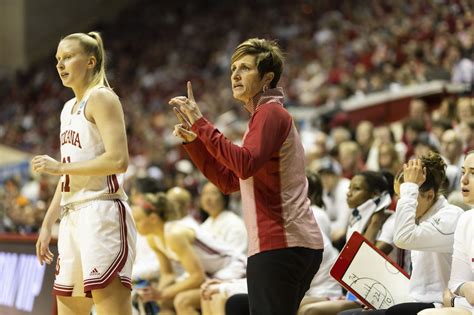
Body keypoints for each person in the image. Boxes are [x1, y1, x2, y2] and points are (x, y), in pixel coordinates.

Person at [169, 38, 324, 315]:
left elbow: (244, 164)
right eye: (233, 69)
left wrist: (201, 123)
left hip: (280, 243)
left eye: (245, 68)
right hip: (288, 244)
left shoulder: (270, 112)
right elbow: (230, 182)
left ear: (267, 78)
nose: (235, 75)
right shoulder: (264, 116)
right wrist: (195, 143)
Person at [31, 32, 137, 315]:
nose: (60, 65)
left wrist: (60, 167)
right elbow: (69, 170)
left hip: (101, 211)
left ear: (90, 61)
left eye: (67, 57)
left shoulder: (101, 97)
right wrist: (47, 222)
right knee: (69, 309)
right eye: (57, 60)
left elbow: (118, 160)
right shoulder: (67, 109)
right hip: (71, 215)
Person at [340, 151, 464, 315]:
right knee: (348, 314)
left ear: (429, 196)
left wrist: (410, 188)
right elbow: (416, 287)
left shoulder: (450, 216)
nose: (403, 202)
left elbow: (402, 239)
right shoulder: (420, 217)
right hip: (415, 300)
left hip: (440, 304)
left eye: (410, 195)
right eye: (399, 196)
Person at [132, 192, 246, 315]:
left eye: (138, 220)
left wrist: (162, 293)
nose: (134, 224)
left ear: (153, 218)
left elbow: (198, 277)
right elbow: (167, 274)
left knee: (183, 301)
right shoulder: (153, 238)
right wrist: (154, 293)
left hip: (233, 267)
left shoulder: (174, 234)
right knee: (164, 302)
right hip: (210, 273)